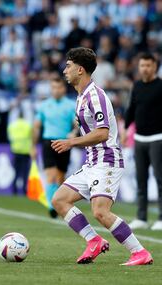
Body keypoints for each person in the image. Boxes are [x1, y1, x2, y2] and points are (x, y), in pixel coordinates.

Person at [50, 47, 153, 266]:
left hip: (107, 159)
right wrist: (73, 134)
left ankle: (140, 252)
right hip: (91, 162)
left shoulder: (95, 96)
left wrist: (71, 142)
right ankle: (94, 240)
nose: (64, 70)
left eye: (68, 66)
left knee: (100, 211)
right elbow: (87, 127)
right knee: (59, 200)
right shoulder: (81, 97)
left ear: (80, 69)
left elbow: (103, 133)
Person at [123, 53, 162, 231]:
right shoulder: (137, 86)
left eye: (148, 65)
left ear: (154, 66)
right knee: (141, 179)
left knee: (160, 179)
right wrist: (125, 130)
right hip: (139, 139)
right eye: (142, 65)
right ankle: (141, 217)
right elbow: (131, 109)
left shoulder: (161, 86)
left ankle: (161, 218)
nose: (144, 68)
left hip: (157, 138)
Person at [31, 77, 76, 218]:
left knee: (60, 176)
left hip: (64, 143)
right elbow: (37, 126)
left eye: (59, 87)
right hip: (48, 142)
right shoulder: (44, 105)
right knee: (50, 176)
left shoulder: (71, 105)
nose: (56, 90)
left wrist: (74, 133)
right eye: (54, 88)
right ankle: (52, 207)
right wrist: (33, 145)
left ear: (63, 89)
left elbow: (77, 124)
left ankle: (59, 201)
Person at [8, 108, 32, 195]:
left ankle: (14, 191)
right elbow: (31, 137)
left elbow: (10, 137)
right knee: (25, 173)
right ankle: (25, 191)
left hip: (16, 151)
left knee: (16, 172)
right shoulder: (28, 125)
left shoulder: (12, 126)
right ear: (24, 116)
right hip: (25, 152)